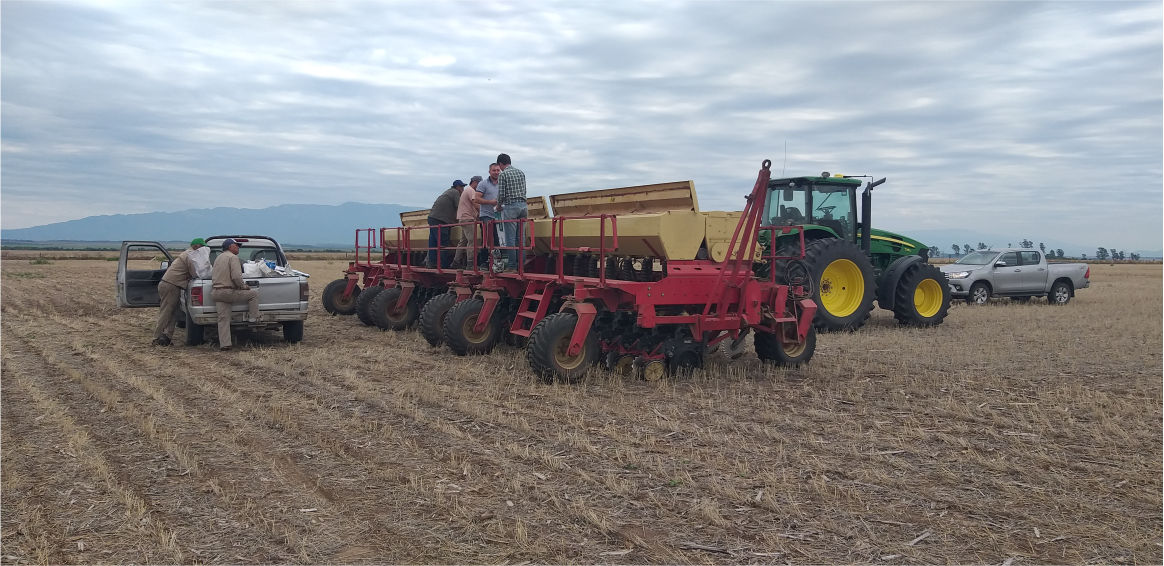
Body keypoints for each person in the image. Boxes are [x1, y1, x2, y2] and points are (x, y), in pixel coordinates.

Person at [151, 237, 206, 346]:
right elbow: (195, 273)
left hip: (170, 284)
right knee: (166, 312)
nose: (203, 249)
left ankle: (166, 337)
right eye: (202, 246)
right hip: (171, 285)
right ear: (196, 246)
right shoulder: (190, 256)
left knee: (172, 312)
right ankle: (156, 338)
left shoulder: (187, 254)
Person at [211, 238, 259, 351]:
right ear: (230, 247)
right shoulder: (233, 257)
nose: (238, 247)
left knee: (223, 319)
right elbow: (236, 277)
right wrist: (243, 286)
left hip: (216, 292)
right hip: (228, 291)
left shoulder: (218, 258)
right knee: (253, 294)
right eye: (236, 245)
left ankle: (225, 344)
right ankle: (253, 319)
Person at [495, 153, 528, 271]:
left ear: (500, 164)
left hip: (511, 207)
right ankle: (521, 266)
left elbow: (501, 194)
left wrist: (498, 206)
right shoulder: (521, 172)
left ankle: (513, 266)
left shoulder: (503, 174)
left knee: (510, 239)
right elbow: (524, 190)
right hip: (524, 206)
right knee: (521, 239)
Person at [427, 180, 464, 268]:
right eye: (462, 187)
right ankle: (444, 265)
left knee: (433, 242)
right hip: (441, 220)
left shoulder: (448, 192)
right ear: (457, 187)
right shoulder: (455, 193)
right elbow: (459, 207)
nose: (463, 189)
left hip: (432, 218)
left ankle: (431, 263)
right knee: (443, 242)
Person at [451, 176, 484, 269]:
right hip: (468, 219)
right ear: (475, 182)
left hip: (463, 218)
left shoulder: (466, 190)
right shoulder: (471, 191)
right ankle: (470, 264)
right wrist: (483, 213)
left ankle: (456, 261)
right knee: (472, 241)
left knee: (463, 241)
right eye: (479, 184)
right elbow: (476, 204)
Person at [476, 163, 501, 266]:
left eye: (498, 170)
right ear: (489, 171)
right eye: (494, 170)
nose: (496, 172)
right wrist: (490, 202)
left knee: (498, 239)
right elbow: (476, 198)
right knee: (487, 239)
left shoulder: (502, 184)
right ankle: (484, 262)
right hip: (486, 215)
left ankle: (497, 262)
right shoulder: (483, 184)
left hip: (499, 216)